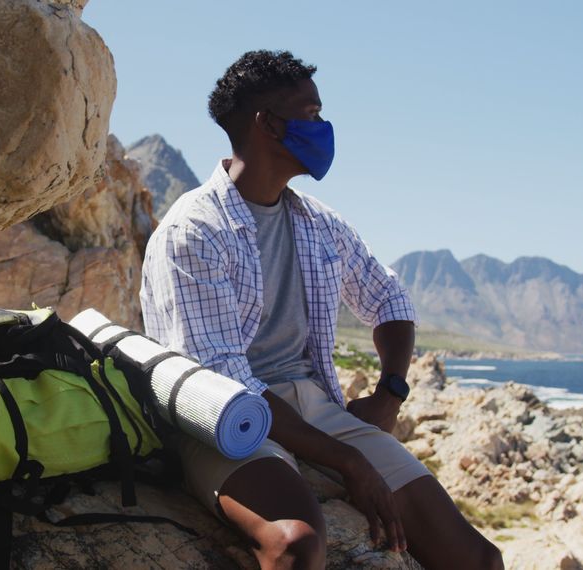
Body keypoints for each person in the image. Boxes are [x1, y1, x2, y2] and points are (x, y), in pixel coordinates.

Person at [140, 50, 503, 570]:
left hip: (315, 407)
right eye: (312, 114)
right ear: (268, 124)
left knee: (476, 560)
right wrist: (346, 461)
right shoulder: (193, 232)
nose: (324, 127)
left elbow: (390, 300)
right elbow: (228, 384)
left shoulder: (318, 222)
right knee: (296, 546)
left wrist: (389, 394)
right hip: (222, 419)